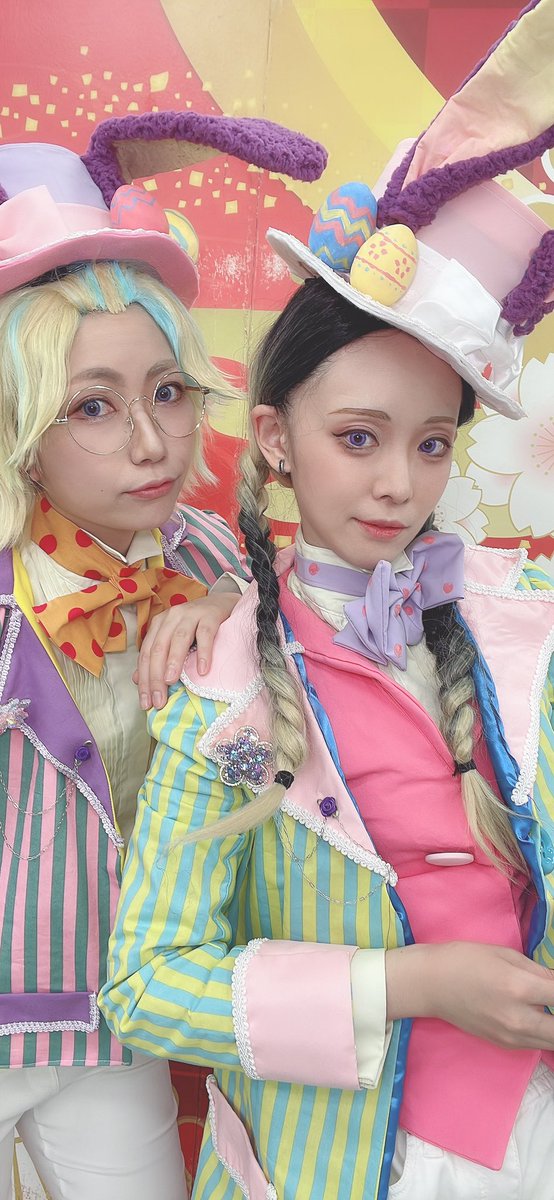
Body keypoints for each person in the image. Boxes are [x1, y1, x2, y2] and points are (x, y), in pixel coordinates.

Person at [99, 6, 554, 1199]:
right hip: (336, 1165)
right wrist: (408, 985)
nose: (398, 483)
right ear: (275, 440)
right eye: (357, 437)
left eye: (431, 443)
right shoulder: (224, 676)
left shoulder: (521, 630)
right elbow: (145, 982)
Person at [0, 114, 327, 1199]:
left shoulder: (214, 554)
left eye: (170, 392)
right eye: (93, 407)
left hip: (113, 1009)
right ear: (20, 425)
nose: (151, 442)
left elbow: (290, 740)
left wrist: (235, 612)